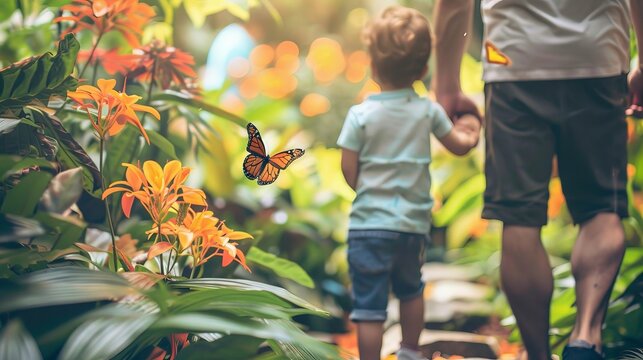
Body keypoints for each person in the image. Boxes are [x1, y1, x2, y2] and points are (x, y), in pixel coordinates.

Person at [433, 0, 643, 359]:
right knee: (601, 210)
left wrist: (446, 84)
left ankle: (538, 354)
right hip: (597, 57)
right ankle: (585, 336)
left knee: (519, 218)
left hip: (512, 61)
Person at [338, 6, 481, 360]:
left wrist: (367, 192)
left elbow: (348, 168)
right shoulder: (428, 110)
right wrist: (472, 128)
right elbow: (459, 147)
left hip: (368, 226)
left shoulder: (360, 115)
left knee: (369, 306)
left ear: (373, 68)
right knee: (411, 291)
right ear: (423, 70)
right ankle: (410, 352)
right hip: (411, 227)